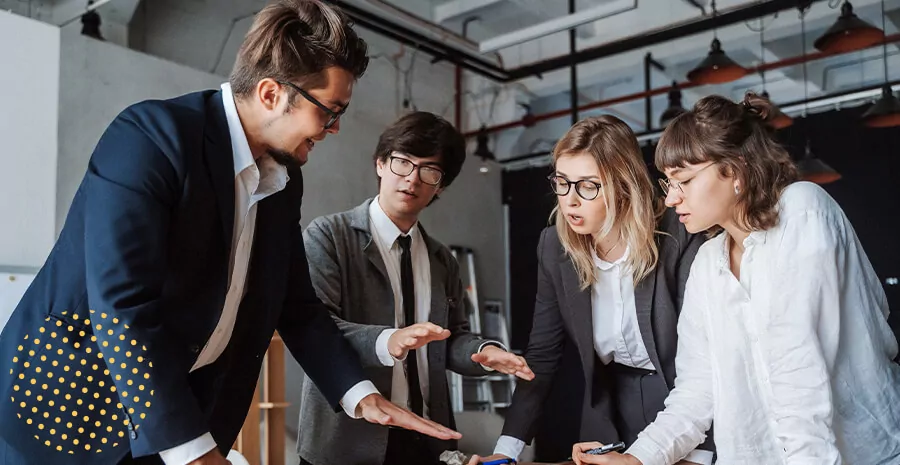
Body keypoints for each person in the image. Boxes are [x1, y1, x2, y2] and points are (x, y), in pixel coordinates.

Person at [0, 1, 460, 464]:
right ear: (270, 94)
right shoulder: (150, 138)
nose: (335, 128)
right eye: (330, 111)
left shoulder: (283, 178)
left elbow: (297, 307)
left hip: (180, 410)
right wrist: (192, 450)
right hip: (71, 411)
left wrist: (358, 394)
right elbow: (123, 309)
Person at [570, 93, 900, 465]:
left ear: (736, 169)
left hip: (866, 453)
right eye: (667, 183)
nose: (672, 199)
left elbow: (799, 365)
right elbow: (696, 390)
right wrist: (638, 458)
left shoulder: (803, 210)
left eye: (685, 180)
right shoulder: (709, 263)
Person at [470, 115, 712, 465]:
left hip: (688, 413)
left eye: (588, 186)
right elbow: (542, 356)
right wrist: (506, 452)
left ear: (623, 185)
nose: (570, 201)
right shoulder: (554, 247)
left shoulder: (679, 234)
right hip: (608, 421)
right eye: (562, 183)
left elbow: (709, 362)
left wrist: (702, 454)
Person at [296, 111, 533, 465]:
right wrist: (388, 340)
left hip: (424, 439)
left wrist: (485, 351)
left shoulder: (442, 259)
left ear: (440, 185)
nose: (412, 179)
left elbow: (450, 339)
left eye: (429, 171)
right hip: (347, 440)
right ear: (380, 164)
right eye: (402, 163)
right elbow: (317, 329)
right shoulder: (328, 236)